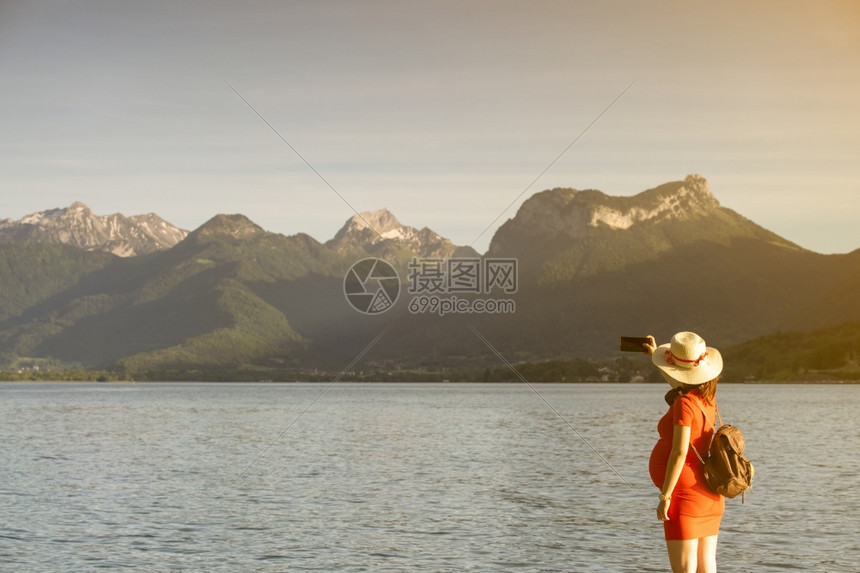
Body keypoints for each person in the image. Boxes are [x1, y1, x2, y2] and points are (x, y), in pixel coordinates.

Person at [645, 331, 725, 573]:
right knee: (706, 568)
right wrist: (653, 356)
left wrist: (665, 496)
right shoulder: (706, 398)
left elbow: (680, 453)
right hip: (709, 497)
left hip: (685, 498)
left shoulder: (683, 404)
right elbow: (680, 382)